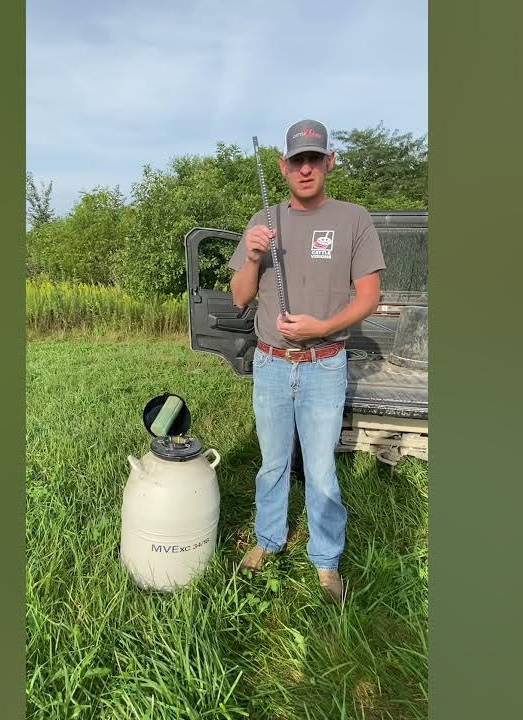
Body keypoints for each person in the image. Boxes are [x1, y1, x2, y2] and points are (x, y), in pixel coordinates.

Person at [227, 118, 386, 605]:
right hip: (272, 363)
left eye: (315, 158)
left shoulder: (353, 218)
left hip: (324, 363)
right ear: (283, 166)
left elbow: (370, 298)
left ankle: (327, 559)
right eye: (297, 160)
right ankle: (269, 539)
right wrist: (253, 258)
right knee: (272, 463)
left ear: (330, 161)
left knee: (319, 468)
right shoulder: (264, 219)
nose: (306, 168)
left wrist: (322, 328)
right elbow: (238, 299)